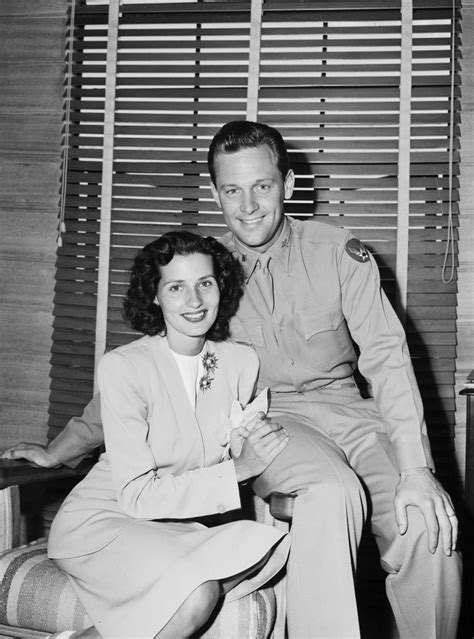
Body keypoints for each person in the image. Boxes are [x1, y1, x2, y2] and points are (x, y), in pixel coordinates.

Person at [4, 121, 462, 639]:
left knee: (425, 523)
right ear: (216, 193)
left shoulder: (338, 252)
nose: (247, 206)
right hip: (271, 419)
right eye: (231, 190)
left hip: (352, 411)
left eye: (261, 186)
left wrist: (417, 469)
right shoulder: (207, 271)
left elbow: (387, 356)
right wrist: (62, 449)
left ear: (287, 186)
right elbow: (148, 370)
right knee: (328, 492)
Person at [45, 231, 290, 638]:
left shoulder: (241, 362)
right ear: (155, 296)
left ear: (220, 287)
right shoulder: (125, 366)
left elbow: (238, 439)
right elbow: (137, 493)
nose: (194, 301)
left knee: (269, 546)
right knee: (197, 594)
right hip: (103, 521)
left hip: (171, 528)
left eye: (204, 284)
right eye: (176, 287)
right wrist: (239, 471)